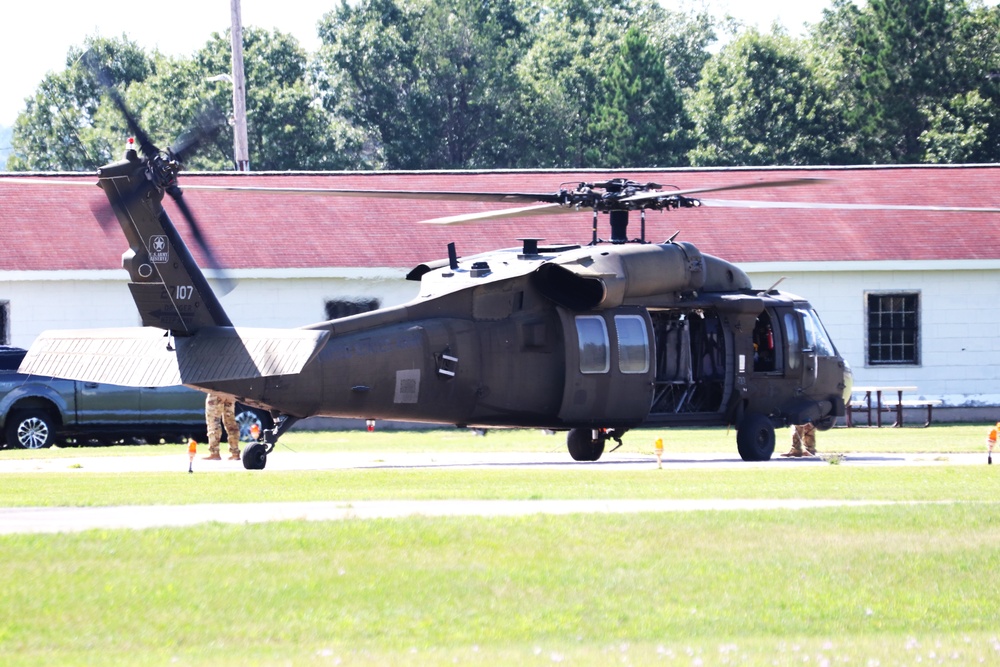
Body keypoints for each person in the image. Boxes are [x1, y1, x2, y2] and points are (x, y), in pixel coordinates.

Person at [205, 392, 241, 461]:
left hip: (215, 391)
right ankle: (235, 452)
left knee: (213, 421)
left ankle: (214, 452)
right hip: (230, 392)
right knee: (231, 423)